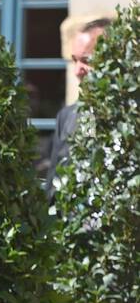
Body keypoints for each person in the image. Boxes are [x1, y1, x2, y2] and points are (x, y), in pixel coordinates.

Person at [46, 17, 111, 199]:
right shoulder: (67, 117)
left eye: (86, 60)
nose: (77, 70)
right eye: (75, 60)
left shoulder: (132, 117)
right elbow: (53, 185)